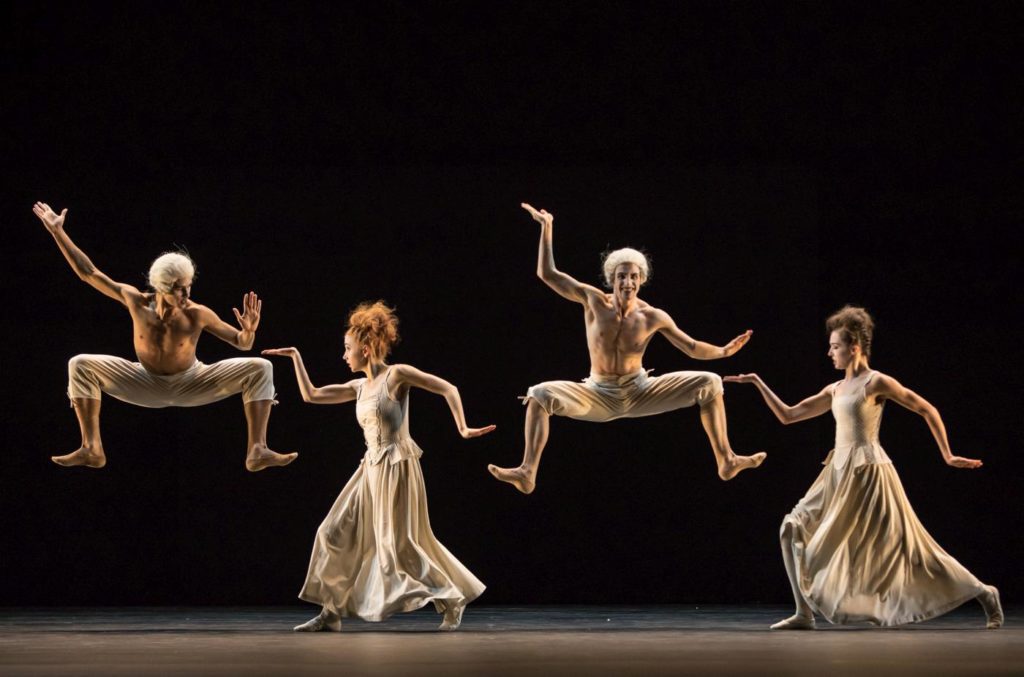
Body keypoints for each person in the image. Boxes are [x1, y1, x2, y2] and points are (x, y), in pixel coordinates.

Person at [724, 305, 1003, 630]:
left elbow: (926, 409)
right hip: (837, 472)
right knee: (790, 529)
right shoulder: (835, 389)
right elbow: (789, 415)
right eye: (830, 346)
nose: (830, 352)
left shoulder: (876, 382)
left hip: (870, 474)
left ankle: (984, 592)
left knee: (911, 549)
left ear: (854, 347)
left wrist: (948, 455)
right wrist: (757, 382)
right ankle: (804, 613)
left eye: (835, 346)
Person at [488, 203, 765, 494]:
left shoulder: (653, 316)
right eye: (621, 276)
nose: (627, 282)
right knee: (540, 394)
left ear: (641, 280)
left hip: (640, 390)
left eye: (633, 276)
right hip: (597, 393)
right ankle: (527, 471)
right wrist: (547, 228)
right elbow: (548, 274)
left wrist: (723, 351)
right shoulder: (593, 301)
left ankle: (727, 459)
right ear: (612, 279)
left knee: (710, 383)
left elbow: (692, 346)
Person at [264, 301, 492, 632]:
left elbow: (447, 387)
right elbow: (311, 395)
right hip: (369, 467)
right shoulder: (358, 388)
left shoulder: (396, 375)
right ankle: (331, 613)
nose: (344, 355)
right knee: (331, 532)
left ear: (366, 349)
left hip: (398, 467)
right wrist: (296, 357)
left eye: (348, 349)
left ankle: (451, 598)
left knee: (399, 546)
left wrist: (463, 426)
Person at [33, 201, 295, 472]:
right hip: (143, 380)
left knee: (262, 367)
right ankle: (92, 448)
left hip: (193, 381)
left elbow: (243, 344)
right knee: (79, 364)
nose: (187, 295)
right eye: (180, 289)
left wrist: (248, 331)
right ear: (161, 287)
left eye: (189, 287)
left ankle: (257, 450)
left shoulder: (197, 313)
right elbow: (89, 273)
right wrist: (57, 232)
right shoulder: (135, 300)